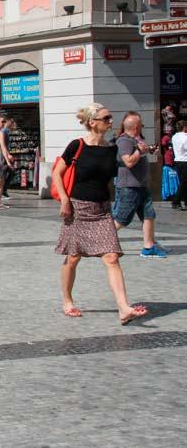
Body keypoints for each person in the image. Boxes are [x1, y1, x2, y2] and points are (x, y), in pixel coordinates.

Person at [52, 103, 148, 325]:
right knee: (73, 257)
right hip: (77, 208)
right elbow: (57, 173)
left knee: (112, 256)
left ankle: (124, 308)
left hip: (102, 209)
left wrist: (139, 151)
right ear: (92, 122)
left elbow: (125, 166)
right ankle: (67, 300)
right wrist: (65, 200)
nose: (110, 122)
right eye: (106, 118)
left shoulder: (111, 149)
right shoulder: (77, 145)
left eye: (111, 117)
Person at [112, 111, 166, 258]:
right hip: (129, 186)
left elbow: (138, 153)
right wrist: (139, 150)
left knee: (149, 215)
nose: (142, 127)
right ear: (136, 127)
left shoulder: (134, 139)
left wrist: (148, 149)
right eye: (141, 125)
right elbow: (129, 161)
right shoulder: (124, 141)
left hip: (140, 185)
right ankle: (99, 240)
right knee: (122, 219)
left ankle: (149, 247)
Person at [172, 120, 187, 212]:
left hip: (178, 161)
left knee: (184, 182)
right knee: (184, 183)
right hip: (185, 161)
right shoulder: (185, 137)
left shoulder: (174, 136)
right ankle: (176, 201)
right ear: (184, 127)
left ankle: (185, 201)